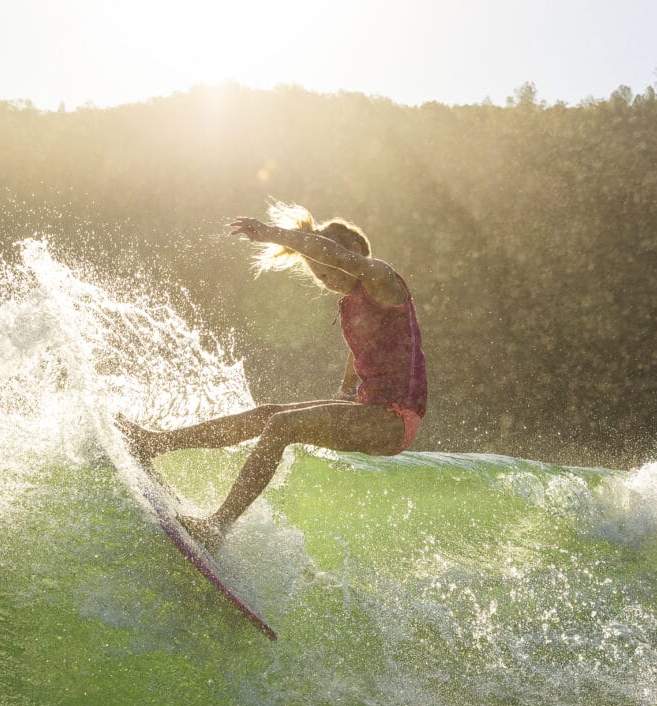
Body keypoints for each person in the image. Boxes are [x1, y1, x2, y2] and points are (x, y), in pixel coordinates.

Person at [119, 203, 428, 550]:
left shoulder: (381, 277)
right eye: (319, 277)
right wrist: (345, 389)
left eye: (329, 272)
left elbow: (334, 254)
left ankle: (218, 526)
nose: (327, 281)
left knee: (282, 425)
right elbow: (361, 347)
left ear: (353, 252)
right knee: (268, 415)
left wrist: (270, 234)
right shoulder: (354, 300)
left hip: (394, 418)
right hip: (373, 410)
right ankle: (154, 444)